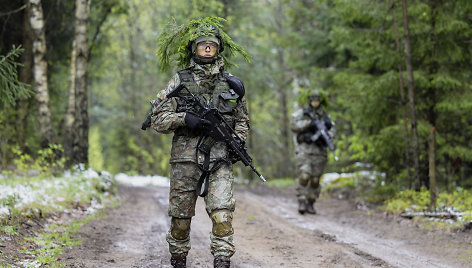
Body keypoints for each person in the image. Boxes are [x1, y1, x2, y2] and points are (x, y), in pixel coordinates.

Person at [151, 18, 250, 268]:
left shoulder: (231, 84)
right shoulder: (180, 81)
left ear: (218, 49)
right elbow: (158, 119)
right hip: (185, 160)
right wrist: (185, 119)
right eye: (202, 46)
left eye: (212, 46)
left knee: (222, 215)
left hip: (219, 159)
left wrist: (238, 141)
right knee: (181, 220)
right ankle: (178, 257)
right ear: (193, 49)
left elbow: (242, 120)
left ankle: (222, 258)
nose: (207, 50)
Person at [290, 90, 335, 215]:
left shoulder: (325, 116)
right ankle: (302, 201)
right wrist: (309, 124)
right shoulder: (303, 113)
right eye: (313, 100)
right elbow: (294, 125)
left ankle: (311, 202)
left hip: (319, 151)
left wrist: (326, 132)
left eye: (317, 100)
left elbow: (333, 132)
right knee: (305, 176)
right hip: (304, 149)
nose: (315, 102)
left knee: (315, 180)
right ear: (310, 101)